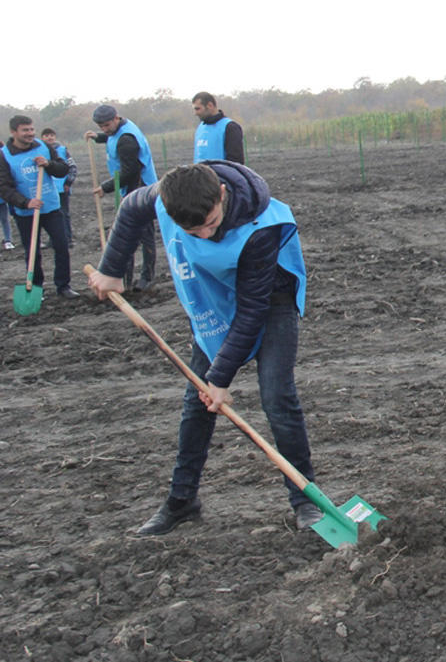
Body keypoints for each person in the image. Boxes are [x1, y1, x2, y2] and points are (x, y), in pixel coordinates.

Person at [86, 161, 321, 534]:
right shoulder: (167, 196)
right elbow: (131, 207)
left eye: (211, 223)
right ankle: (182, 501)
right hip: (213, 301)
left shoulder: (261, 227)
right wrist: (113, 269)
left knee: (277, 396)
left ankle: (306, 501)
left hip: (269, 300)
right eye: (192, 231)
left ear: (222, 195)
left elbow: (252, 311)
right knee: (196, 403)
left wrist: (220, 377)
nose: (206, 234)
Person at [0, 116, 78, 298]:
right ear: (14, 132)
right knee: (32, 251)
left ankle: (63, 286)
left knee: (61, 245)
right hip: (25, 212)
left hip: (51, 207)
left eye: (31, 129)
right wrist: (25, 202)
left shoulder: (43, 147)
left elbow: (62, 169)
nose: (30, 133)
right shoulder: (5, 155)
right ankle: (35, 289)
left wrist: (49, 164)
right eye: (25, 130)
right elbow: (3, 187)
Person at [86, 105, 159, 290]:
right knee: (129, 233)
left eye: (106, 125)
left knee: (144, 234)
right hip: (129, 188)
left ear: (116, 118)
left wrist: (105, 187)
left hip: (140, 188)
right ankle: (125, 279)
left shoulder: (127, 139)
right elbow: (111, 136)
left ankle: (146, 278)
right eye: (100, 126)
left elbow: (130, 172)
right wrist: (98, 137)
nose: (104, 129)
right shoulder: (117, 130)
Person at [40, 128, 77, 246]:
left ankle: (68, 238)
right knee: (51, 214)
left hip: (62, 188)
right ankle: (53, 240)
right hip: (47, 190)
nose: (49, 137)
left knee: (64, 213)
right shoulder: (41, 151)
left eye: (51, 135)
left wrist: (68, 183)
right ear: (42, 138)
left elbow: (72, 167)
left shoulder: (62, 150)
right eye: (46, 136)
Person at [191, 91, 246, 163]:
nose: (195, 113)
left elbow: (236, 163)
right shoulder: (200, 128)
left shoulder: (230, 127)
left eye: (198, 109)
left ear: (210, 105)